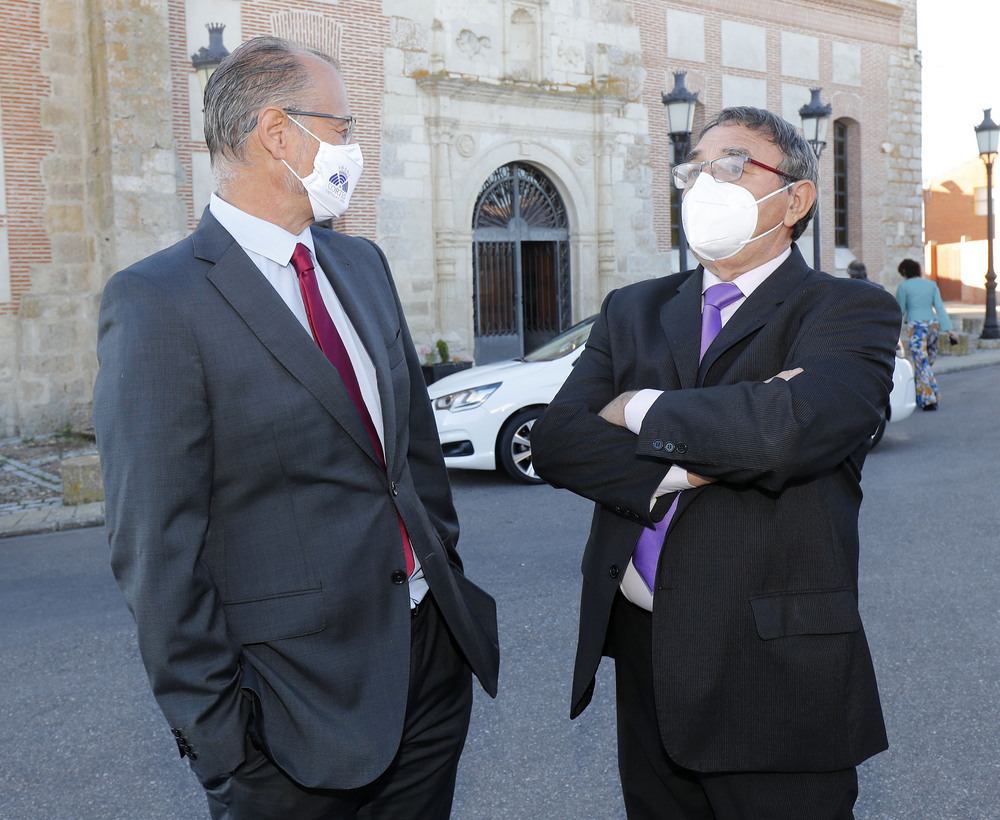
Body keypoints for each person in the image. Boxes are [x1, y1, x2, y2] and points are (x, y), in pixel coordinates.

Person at [93, 36, 498, 820]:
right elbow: (156, 551)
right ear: (278, 132)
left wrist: (442, 585)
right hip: (291, 717)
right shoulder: (158, 303)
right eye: (342, 127)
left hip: (428, 670)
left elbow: (410, 457)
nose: (353, 148)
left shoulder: (362, 265)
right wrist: (225, 746)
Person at [532, 106, 900, 820]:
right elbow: (556, 442)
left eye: (731, 165)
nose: (704, 183)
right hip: (643, 653)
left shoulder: (849, 310)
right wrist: (697, 461)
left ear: (795, 198)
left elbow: (787, 434)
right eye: (693, 168)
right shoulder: (632, 309)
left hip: (774, 669)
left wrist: (636, 407)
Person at [896, 257, 958, 410]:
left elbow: (899, 311)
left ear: (904, 272)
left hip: (916, 326)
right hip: (932, 325)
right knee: (926, 362)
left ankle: (929, 398)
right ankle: (925, 394)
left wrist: (893, 330)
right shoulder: (931, 285)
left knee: (921, 362)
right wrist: (949, 330)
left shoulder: (904, 287)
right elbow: (940, 308)